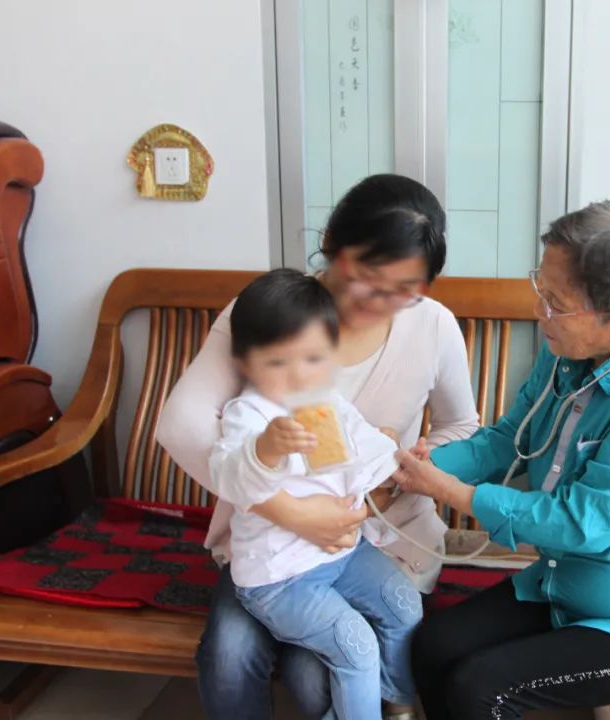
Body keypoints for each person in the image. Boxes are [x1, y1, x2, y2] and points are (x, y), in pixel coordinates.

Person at [156, 174, 479, 720]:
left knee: (317, 676)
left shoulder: (433, 326)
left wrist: (399, 474)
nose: (380, 302)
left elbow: (461, 427)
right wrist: (293, 512)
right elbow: (181, 426)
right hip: (273, 544)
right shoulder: (270, 313)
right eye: (367, 278)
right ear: (331, 243)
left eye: (404, 289)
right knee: (230, 655)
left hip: (384, 538)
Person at [393, 199, 610, 719]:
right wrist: (429, 462)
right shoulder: (569, 353)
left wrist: (451, 492)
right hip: (563, 583)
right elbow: (510, 440)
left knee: (479, 688)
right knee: (434, 646)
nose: (539, 312)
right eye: (541, 290)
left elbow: (584, 523)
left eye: (556, 303)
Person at [212, 269, 415, 719]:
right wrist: (265, 450)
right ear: (245, 363)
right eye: (278, 363)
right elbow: (227, 475)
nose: (299, 376)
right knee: (355, 645)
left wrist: (400, 463)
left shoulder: (328, 403)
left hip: (341, 555)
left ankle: (399, 705)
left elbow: (369, 447)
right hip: (280, 577)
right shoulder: (249, 415)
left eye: (313, 359)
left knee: (404, 605)